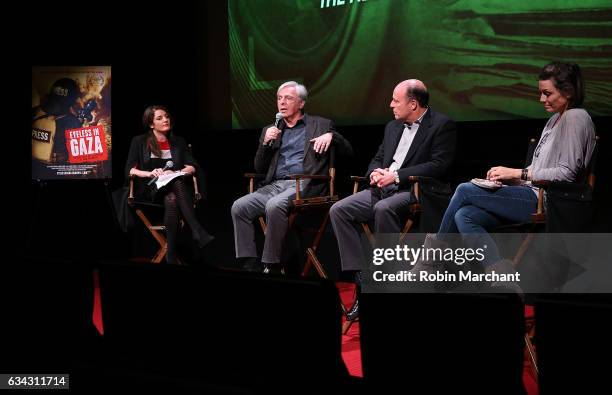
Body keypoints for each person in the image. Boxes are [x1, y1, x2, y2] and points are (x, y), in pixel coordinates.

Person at [417, 62, 596, 280]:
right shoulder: (555, 119)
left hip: (552, 201)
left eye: (547, 93)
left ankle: (432, 260)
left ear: (567, 92)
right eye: (541, 93)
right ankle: (501, 276)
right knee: (465, 215)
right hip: (534, 193)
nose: (542, 99)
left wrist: (517, 174)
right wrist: (509, 178)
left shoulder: (576, 118)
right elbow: (538, 169)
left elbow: (566, 173)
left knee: (464, 190)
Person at [329, 79, 457, 321]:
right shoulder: (392, 127)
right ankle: (362, 278)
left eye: (395, 101)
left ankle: (387, 281)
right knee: (339, 210)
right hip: (383, 187)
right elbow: (378, 157)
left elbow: (439, 165)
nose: (390, 105)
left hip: (416, 190)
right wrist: (375, 173)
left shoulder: (442, 125)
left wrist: (396, 176)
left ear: (413, 103)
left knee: (383, 209)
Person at [231, 81, 353, 273]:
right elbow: (259, 167)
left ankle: (271, 264)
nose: (282, 102)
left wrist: (332, 136)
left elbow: (348, 152)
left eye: (288, 98)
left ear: (301, 103)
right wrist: (265, 143)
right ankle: (249, 262)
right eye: (279, 98)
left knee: (274, 205)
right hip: (275, 185)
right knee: (239, 206)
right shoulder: (271, 130)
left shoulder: (321, 125)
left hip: (305, 184)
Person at [125, 105, 214, 265]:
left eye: (166, 116)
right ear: (151, 124)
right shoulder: (139, 141)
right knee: (175, 189)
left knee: (173, 196)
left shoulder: (178, 142)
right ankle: (196, 230)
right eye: (159, 118)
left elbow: (193, 166)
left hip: (174, 193)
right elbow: (129, 170)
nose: (165, 120)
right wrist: (151, 173)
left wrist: (176, 172)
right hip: (150, 191)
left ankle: (170, 256)